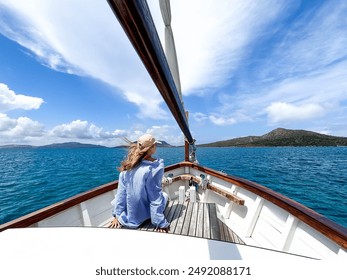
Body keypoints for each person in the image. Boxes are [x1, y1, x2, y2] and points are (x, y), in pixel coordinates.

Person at [109, 134, 170, 233]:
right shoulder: (155, 167)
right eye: (155, 145)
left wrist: (117, 216)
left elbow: (121, 195)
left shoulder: (127, 167)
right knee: (164, 195)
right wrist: (160, 223)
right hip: (144, 214)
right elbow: (154, 196)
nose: (156, 147)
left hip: (130, 215)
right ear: (150, 149)